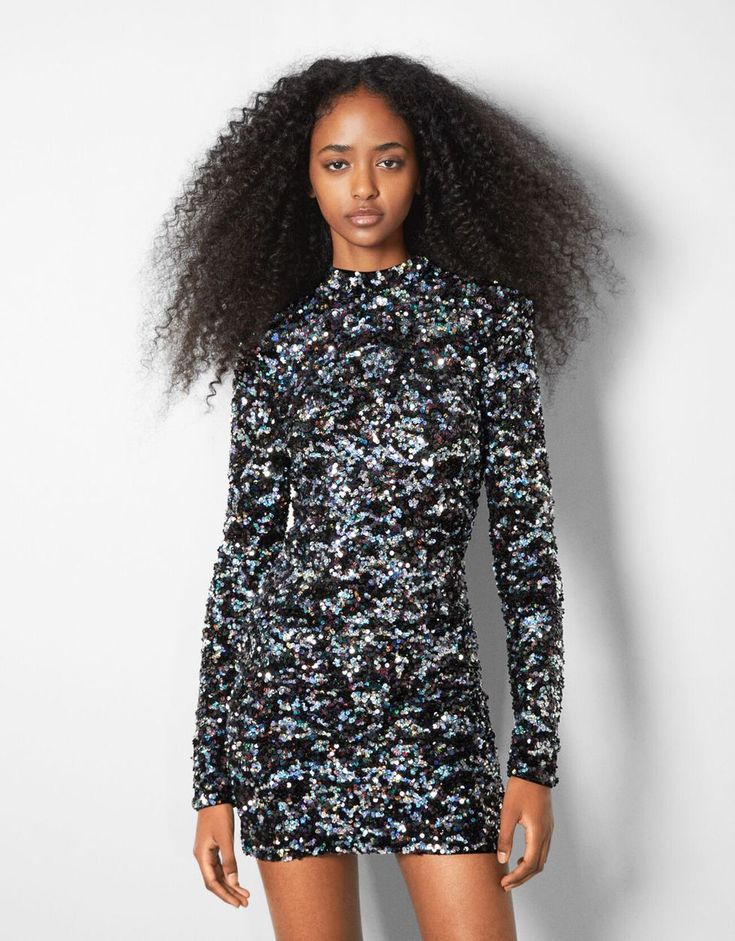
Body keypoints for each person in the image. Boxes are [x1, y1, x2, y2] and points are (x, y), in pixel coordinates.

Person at [143, 53, 621, 941]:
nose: (362, 186)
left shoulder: (486, 324)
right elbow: (245, 555)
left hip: (434, 707)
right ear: (304, 179)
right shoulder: (277, 341)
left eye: (388, 159)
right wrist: (213, 778)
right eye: (336, 162)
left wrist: (534, 760)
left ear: (424, 169)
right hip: (289, 709)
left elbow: (526, 554)